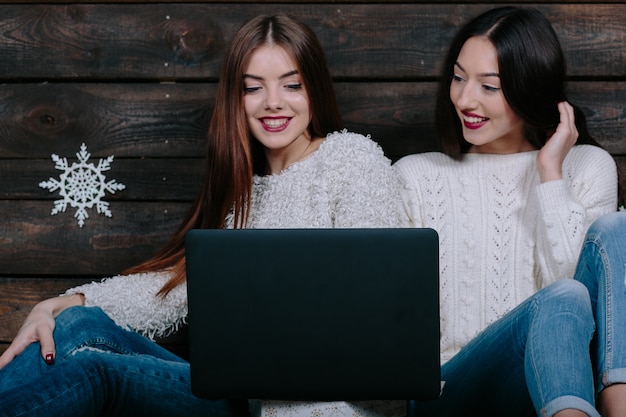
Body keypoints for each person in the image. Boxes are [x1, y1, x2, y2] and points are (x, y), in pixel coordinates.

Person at [0, 13, 402, 416]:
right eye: (253, 88)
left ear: (314, 87)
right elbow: (178, 288)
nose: (274, 102)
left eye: (292, 85)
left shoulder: (350, 158)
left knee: (97, 371)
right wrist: (60, 303)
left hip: (318, 404)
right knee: (76, 325)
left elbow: (379, 308)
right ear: (236, 98)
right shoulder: (242, 191)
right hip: (241, 389)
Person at [394, 6, 620, 417]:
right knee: (563, 295)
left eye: (489, 86)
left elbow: (578, 310)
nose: (465, 99)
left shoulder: (586, 167)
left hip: (557, 382)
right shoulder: (416, 177)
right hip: (451, 388)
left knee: (616, 232)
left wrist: (550, 174)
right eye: (459, 78)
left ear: (529, 86)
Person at [572, 211, 626, 416]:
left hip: (569, 338)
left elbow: (593, 262)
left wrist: (550, 180)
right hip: (489, 362)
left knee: (614, 229)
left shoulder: (593, 177)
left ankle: (617, 403)